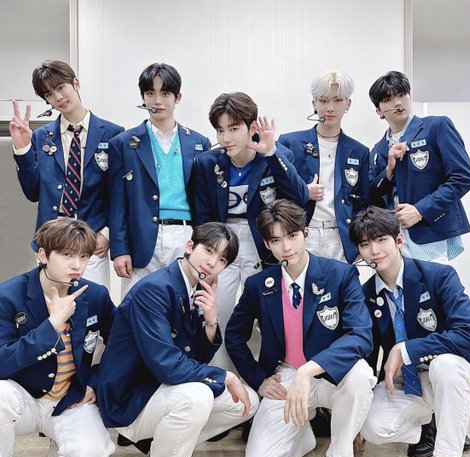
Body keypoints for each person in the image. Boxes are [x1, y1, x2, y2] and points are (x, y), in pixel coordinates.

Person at [225, 199, 376, 457]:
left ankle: (337, 455)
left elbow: (361, 336)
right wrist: (259, 380)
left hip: (331, 373)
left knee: (361, 376)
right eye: (276, 240)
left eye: (292, 235)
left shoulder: (340, 274)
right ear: (267, 244)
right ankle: (302, 436)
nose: (286, 247)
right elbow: (234, 336)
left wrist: (308, 371)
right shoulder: (258, 285)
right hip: (285, 376)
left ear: (305, 233)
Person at [97, 222, 259, 457]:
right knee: (197, 397)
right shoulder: (155, 289)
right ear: (190, 246)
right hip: (129, 397)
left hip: (162, 390)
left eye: (222, 260)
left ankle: (163, 441)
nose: (212, 263)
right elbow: (168, 365)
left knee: (246, 402)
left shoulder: (196, 290)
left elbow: (194, 360)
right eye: (208, 250)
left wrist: (211, 321)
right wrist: (225, 376)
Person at [349, 206, 470, 457]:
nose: (374, 250)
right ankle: (430, 426)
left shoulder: (439, 276)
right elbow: (368, 352)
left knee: (446, 366)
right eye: (365, 244)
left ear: (399, 240)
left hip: (454, 379)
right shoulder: (365, 294)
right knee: (371, 425)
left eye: (381, 239)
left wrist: (407, 349)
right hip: (409, 382)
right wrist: (354, 416)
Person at [193, 92, 308, 371]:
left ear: (251, 127)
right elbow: (203, 217)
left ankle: (260, 376)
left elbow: (300, 196)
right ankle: (220, 376)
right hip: (222, 242)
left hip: (262, 243)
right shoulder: (207, 163)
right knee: (218, 310)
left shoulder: (274, 155)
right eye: (220, 130)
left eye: (234, 129)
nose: (226, 138)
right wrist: (208, 261)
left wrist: (271, 153)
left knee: (264, 313)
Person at [0, 218, 116, 457]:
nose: (77, 265)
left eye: (84, 256)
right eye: (67, 255)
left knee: (91, 456)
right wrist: (52, 324)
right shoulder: (8, 296)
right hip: (23, 397)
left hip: (69, 399)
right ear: (43, 255)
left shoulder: (95, 295)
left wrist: (96, 381)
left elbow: (122, 346)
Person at [9, 60, 124, 287]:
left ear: (76, 84)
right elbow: (32, 191)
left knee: (90, 304)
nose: (58, 97)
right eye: (49, 94)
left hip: (90, 241)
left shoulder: (113, 134)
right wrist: (22, 149)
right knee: (51, 304)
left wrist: (107, 233)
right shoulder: (41, 136)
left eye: (61, 87)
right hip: (51, 240)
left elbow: (119, 193)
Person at [108, 62, 211, 298]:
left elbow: (204, 201)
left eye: (165, 93)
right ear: (143, 97)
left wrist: (207, 245)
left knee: (185, 304)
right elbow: (117, 202)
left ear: (177, 97)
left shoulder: (199, 143)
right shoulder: (123, 144)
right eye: (150, 93)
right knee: (136, 303)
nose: (157, 101)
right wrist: (120, 249)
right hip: (141, 237)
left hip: (185, 235)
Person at [368, 70, 470, 263]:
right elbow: (372, 196)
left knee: (435, 282)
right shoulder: (377, 150)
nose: (397, 103)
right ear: (379, 111)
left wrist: (420, 211)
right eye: (388, 99)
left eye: (402, 95)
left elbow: (463, 177)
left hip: (430, 233)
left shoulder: (436, 127)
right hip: (393, 241)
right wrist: (388, 172)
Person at [278, 69, 370, 264]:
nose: (330, 108)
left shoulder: (359, 151)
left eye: (338, 100)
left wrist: (360, 240)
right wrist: (304, 191)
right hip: (301, 232)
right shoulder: (290, 143)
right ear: (314, 103)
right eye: (323, 100)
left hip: (340, 236)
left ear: (348, 103)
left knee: (341, 283)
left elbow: (362, 202)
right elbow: (279, 191)